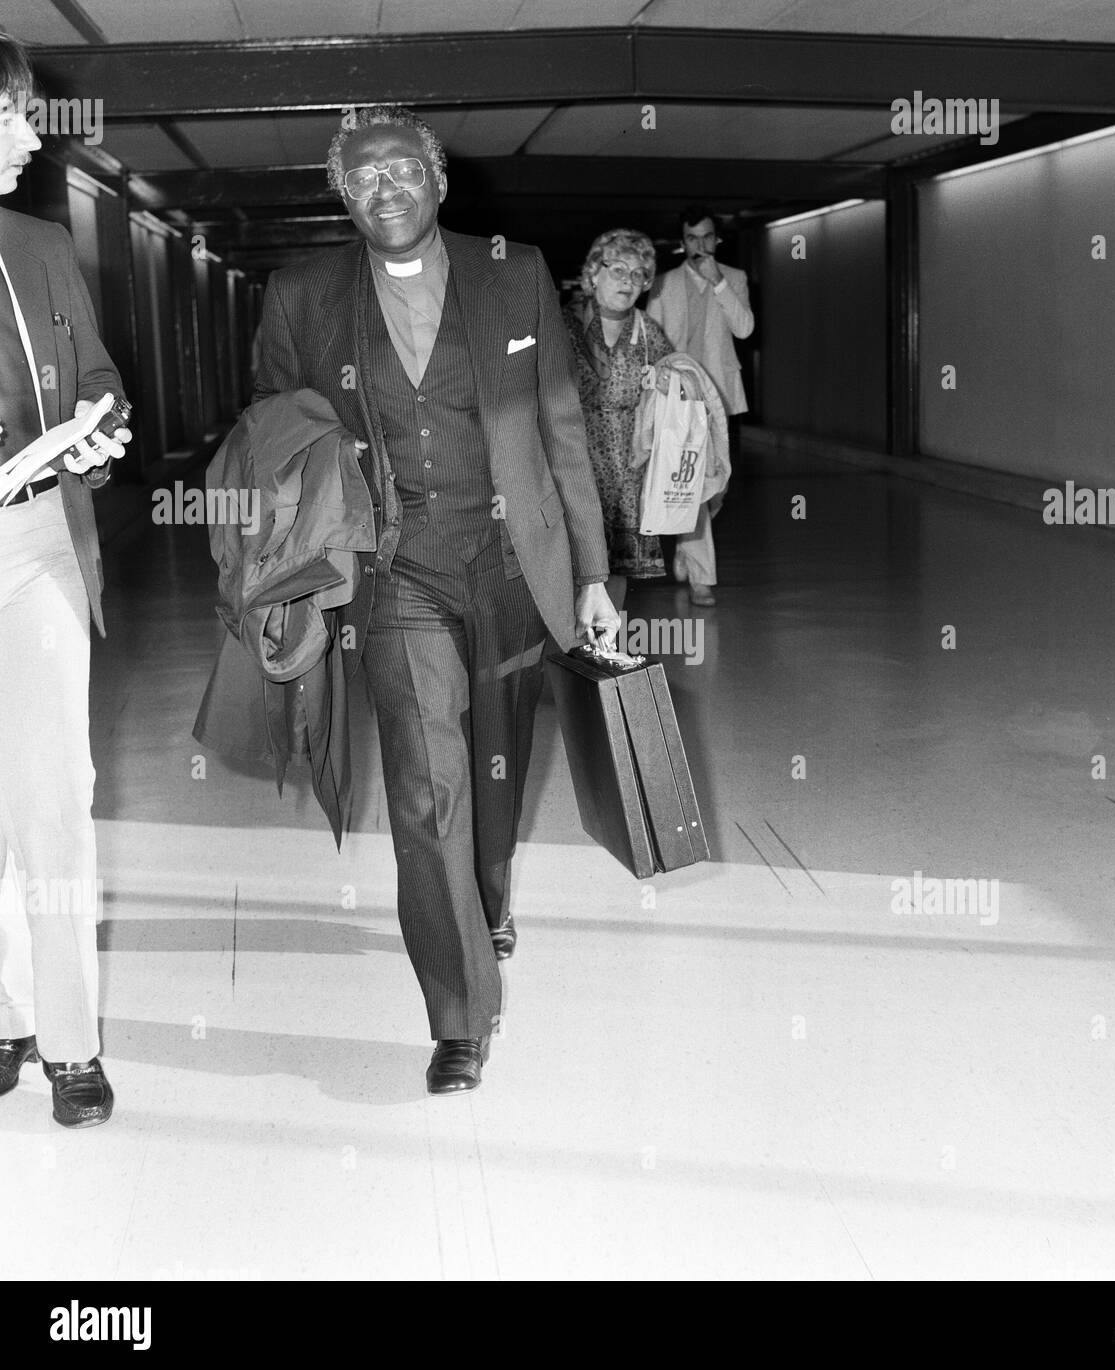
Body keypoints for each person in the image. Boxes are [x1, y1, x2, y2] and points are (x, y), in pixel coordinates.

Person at [253, 105, 617, 1095]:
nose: (385, 190)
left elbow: (563, 432)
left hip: (509, 562)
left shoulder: (517, 270)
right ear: (341, 193)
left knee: (493, 777)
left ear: (437, 179)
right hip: (395, 572)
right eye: (362, 178)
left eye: (402, 171)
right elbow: (279, 444)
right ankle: (455, 1014)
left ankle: (487, 888)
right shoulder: (301, 295)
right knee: (427, 787)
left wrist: (592, 575)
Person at [0, 35, 133, 1128]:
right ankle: (5, 1011)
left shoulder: (40, 244)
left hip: (34, 540)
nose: (33, 135)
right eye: (9, 115)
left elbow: (96, 375)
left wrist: (97, 431)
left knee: (54, 795)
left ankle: (69, 1041)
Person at [645, 205, 754, 607]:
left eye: (707, 237)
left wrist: (719, 283)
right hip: (678, 402)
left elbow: (745, 328)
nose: (700, 245)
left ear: (717, 240)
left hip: (720, 398)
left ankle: (687, 549)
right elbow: (651, 342)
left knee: (716, 488)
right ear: (682, 242)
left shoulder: (736, 279)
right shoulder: (662, 284)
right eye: (692, 238)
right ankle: (701, 575)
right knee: (690, 486)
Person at [563, 229, 674, 612]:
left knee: (618, 569)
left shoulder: (649, 334)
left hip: (628, 470)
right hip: (575, 466)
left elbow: (678, 392)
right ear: (593, 273)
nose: (628, 280)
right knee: (570, 564)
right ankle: (568, 648)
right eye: (618, 269)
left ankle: (607, 648)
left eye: (639, 273)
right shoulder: (562, 327)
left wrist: (665, 384)